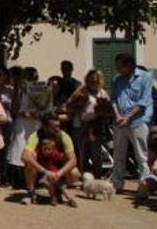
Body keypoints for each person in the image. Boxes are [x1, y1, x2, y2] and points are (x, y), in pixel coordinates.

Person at [110, 53, 154, 191]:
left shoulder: (145, 77)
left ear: (129, 65)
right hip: (119, 122)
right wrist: (117, 116)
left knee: (142, 156)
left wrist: (128, 117)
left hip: (138, 122)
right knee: (118, 155)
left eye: (120, 67)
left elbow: (144, 101)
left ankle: (144, 186)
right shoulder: (117, 79)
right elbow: (113, 99)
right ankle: (117, 185)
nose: (117, 69)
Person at [21, 113, 78, 207]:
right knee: (29, 161)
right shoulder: (35, 136)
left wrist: (59, 173)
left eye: (58, 126)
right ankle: (30, 192)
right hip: (40, 169)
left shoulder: (64, 136)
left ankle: (59, 189)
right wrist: (45, 172)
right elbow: (24, 156)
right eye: (54, 126)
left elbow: (73, 160)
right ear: (45, 126)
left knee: (74, 172)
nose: (57, 129)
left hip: (57, 169)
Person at [64, 69, 111, 176]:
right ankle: (84, 177)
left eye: (95, 81)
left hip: (95, 127)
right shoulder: (81, 91)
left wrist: (102, 110)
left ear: (99, 81)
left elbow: (108, 109)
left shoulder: (102, 93)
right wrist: (78, 108)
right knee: (82, 153)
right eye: (90, 80)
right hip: (80, 126)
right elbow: (69, 105)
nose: (92, 83)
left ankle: (97, 177)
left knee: (96, 154)